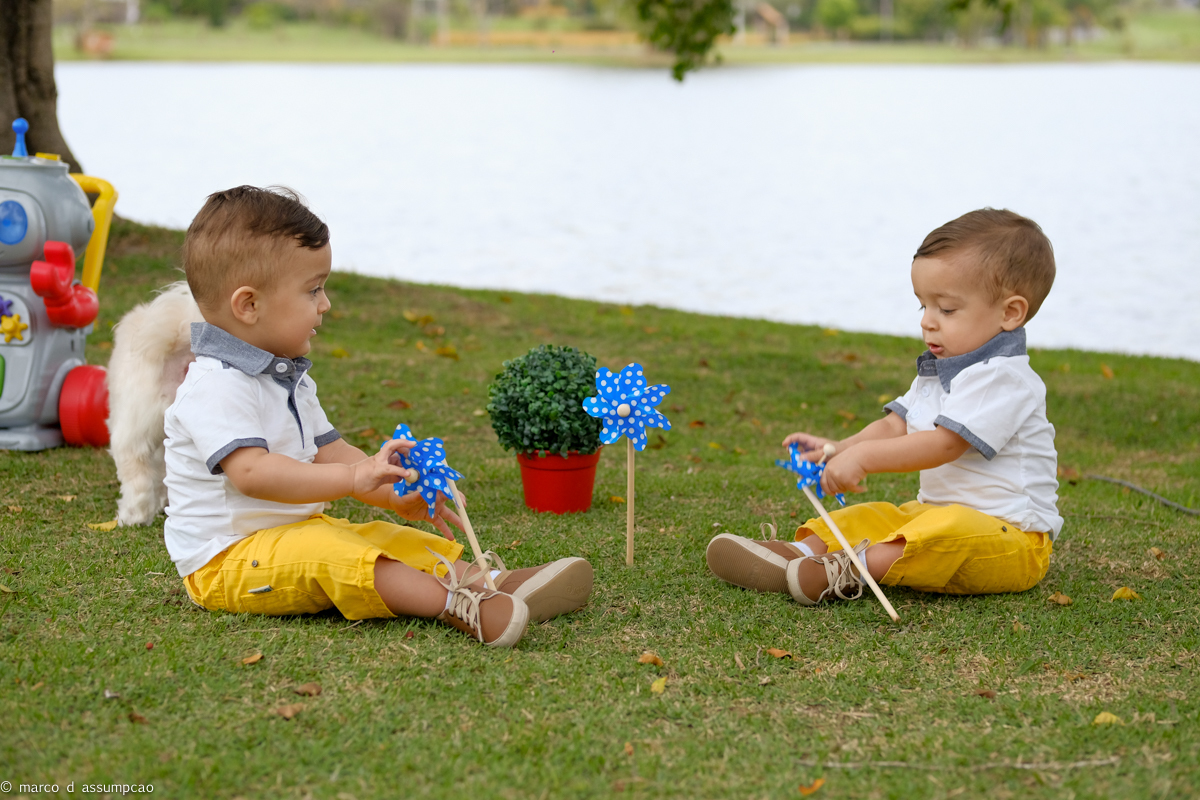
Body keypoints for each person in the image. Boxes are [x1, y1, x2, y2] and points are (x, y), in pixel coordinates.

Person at [163, 185, 593, 647]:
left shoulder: (284, 374)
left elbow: (329, 451)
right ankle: (455, 604)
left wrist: (387, 490)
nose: (325, 304)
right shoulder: (216, 384)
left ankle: (490, 581)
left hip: (293, 533)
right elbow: (253, 473)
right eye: (313, 290)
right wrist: (353, 481)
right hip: (227, 560)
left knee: (385, 538)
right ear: (249, 305)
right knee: (341, 555)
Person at [707, 208, 1062, 605]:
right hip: (933, 514)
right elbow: (896, 427)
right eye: (922, 306)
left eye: (946, 309)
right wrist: (839, 449)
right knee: (876, 516)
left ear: (1010, 312)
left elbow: (945, 444)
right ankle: (798, 555)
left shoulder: (1004, 378)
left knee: (947, 530)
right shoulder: (940, 372)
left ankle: (844, 570)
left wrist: (863, 459)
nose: (928, 322)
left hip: (1011, 540)